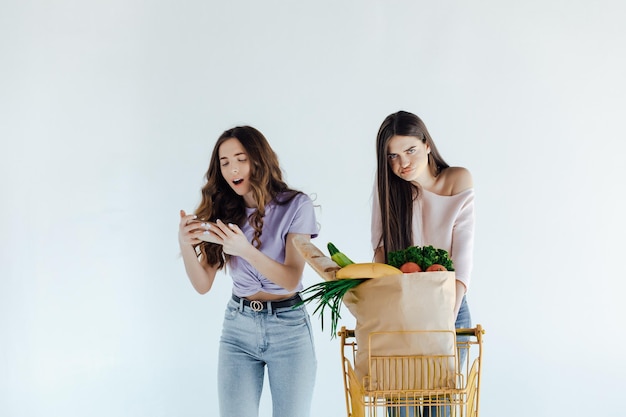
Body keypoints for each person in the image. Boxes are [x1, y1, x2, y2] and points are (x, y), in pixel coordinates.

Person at [178, 125, 318, 417]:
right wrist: (185, 244)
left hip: (289, 328)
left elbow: (292, 278)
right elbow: (203, 284)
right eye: (224, 162)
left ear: (258, 159)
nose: (232, 169)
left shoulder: (297, 206)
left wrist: (245, 250)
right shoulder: (225, 210)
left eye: (240, 158)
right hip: (238, 328)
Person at [371, 110, 474, 417]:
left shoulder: (458, 179)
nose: (402, 164)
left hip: (449, 307)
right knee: (400, 406)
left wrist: (441, 325)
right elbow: (381, 253)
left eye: (410, 151)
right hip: (403, 312)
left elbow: (462, 262)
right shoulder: (389, 189)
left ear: (427, 144)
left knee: (439, 407)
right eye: (392, 156)